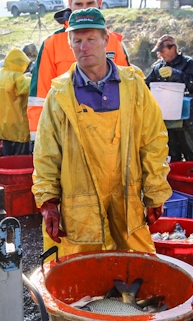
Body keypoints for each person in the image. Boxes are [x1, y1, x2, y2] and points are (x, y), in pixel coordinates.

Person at [32, 8, 172, 258]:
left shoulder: (134, 85)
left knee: (135, 268)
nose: (84, 47)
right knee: (80, 275)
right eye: (77, 41)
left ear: (106, 40)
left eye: (91, 39)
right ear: (70, 44)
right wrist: (48, 201)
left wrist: (155, 191)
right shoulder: (59, 94)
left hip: (127, 197)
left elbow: (153, 140)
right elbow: (46, 152)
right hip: (78, 203)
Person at [27, 0, 130, 143]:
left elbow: (128, 93)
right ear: (70, 5)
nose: (85, 8)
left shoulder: (114, 42)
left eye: (90, 3)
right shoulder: (51, 44)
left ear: (99, 4)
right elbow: (39, 97)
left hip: (110, 136)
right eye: (79, 4)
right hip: (65, 135)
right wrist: (38, 139)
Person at [145, 35, 193, 162]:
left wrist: (178, 75)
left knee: (190, 152)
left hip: (188, 119)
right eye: (158, 51)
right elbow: (146, 86)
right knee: (172, 154)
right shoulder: (157, 67)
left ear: (172, 48)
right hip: (166, 118)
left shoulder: (189, 64)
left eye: (162, 50)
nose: (160, 54)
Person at [0, 48, 31, 156]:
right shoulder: (16, 76)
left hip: (3, 124)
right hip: (18, 124)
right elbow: (28, 88)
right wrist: (30, 78)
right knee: (19, 158)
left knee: (6, 156)